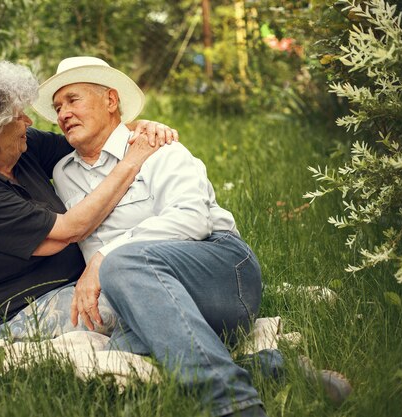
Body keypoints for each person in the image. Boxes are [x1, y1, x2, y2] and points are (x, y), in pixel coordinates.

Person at [33, 56, 266, 417]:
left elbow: (193, 220)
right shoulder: (64, 173)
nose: (62, 113)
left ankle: (233, 405)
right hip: (148, 298)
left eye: (73, 100)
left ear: (111, 100)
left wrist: (105, 256)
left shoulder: (158, 145)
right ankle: (275, 368)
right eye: (58, 106)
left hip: (221, 272)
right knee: (119, 373)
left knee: (122, 263)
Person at [0, 57, 177, 332]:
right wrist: (133, 160)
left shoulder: (19, 146)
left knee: (155, 284)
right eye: (18, 116)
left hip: (70, 283)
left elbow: (93, 140)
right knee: (144, 298)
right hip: (15, 309)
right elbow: (70, 230)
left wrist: (141, 127)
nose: (28, 121)